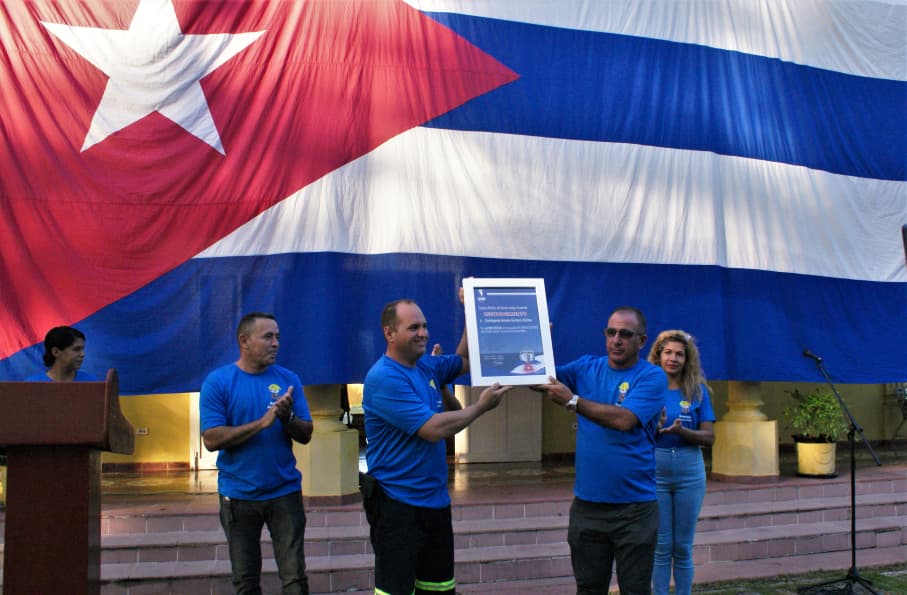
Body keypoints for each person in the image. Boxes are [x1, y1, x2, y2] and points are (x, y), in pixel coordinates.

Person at [362, 297, 511, 595]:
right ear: (389, 333)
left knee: (439, 589)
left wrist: (470, 309)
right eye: (413, 327)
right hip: (397, 506)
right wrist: (481, 407)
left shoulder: (427, 366)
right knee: (396, 590)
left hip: (435, 504)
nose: (423, 333)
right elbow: (432, 429)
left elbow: (464, 361)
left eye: (425, 326)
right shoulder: (384, 378)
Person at [534, 306, 667, 595]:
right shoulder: (586, 367)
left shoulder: (652, 377)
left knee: (635, 589)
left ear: (642, 341)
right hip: (588, 507)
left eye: (625, 334)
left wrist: (573, 401)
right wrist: (533, 342)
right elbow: (538, 379)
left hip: (635, 509)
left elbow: (624, 419)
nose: (616, 340)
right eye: (611, 332)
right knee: (589, 588)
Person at [200, 312, 314, 595]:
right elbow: (212, 439)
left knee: (294, 579)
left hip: (284, 493)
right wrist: (261, 424)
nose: (276, 343)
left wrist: (287, 419)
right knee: (246, 580)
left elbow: (306, 433)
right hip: (238, 497)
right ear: (244, 341)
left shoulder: (289, 379)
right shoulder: (218, 383)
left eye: (277, 337)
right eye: (268, 336)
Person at [647, 330, 715, 595]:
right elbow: (632, 429)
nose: (673, 358)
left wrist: (683, 432)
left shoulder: (697, 392)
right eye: (668, 353)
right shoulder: (648, 388)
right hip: (656, 469)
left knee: (683, 547)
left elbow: (710, 438)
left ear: (687, 360)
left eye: (679, 354)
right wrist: (656, 428)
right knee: (662, 545)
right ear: (658, 355)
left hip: (689, 470)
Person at [26, 326, 97, 382]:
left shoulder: (91, 382)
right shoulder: (32, 385)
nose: (82, 354)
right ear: (56, 352)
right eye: (76, 349)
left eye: (82, 349)